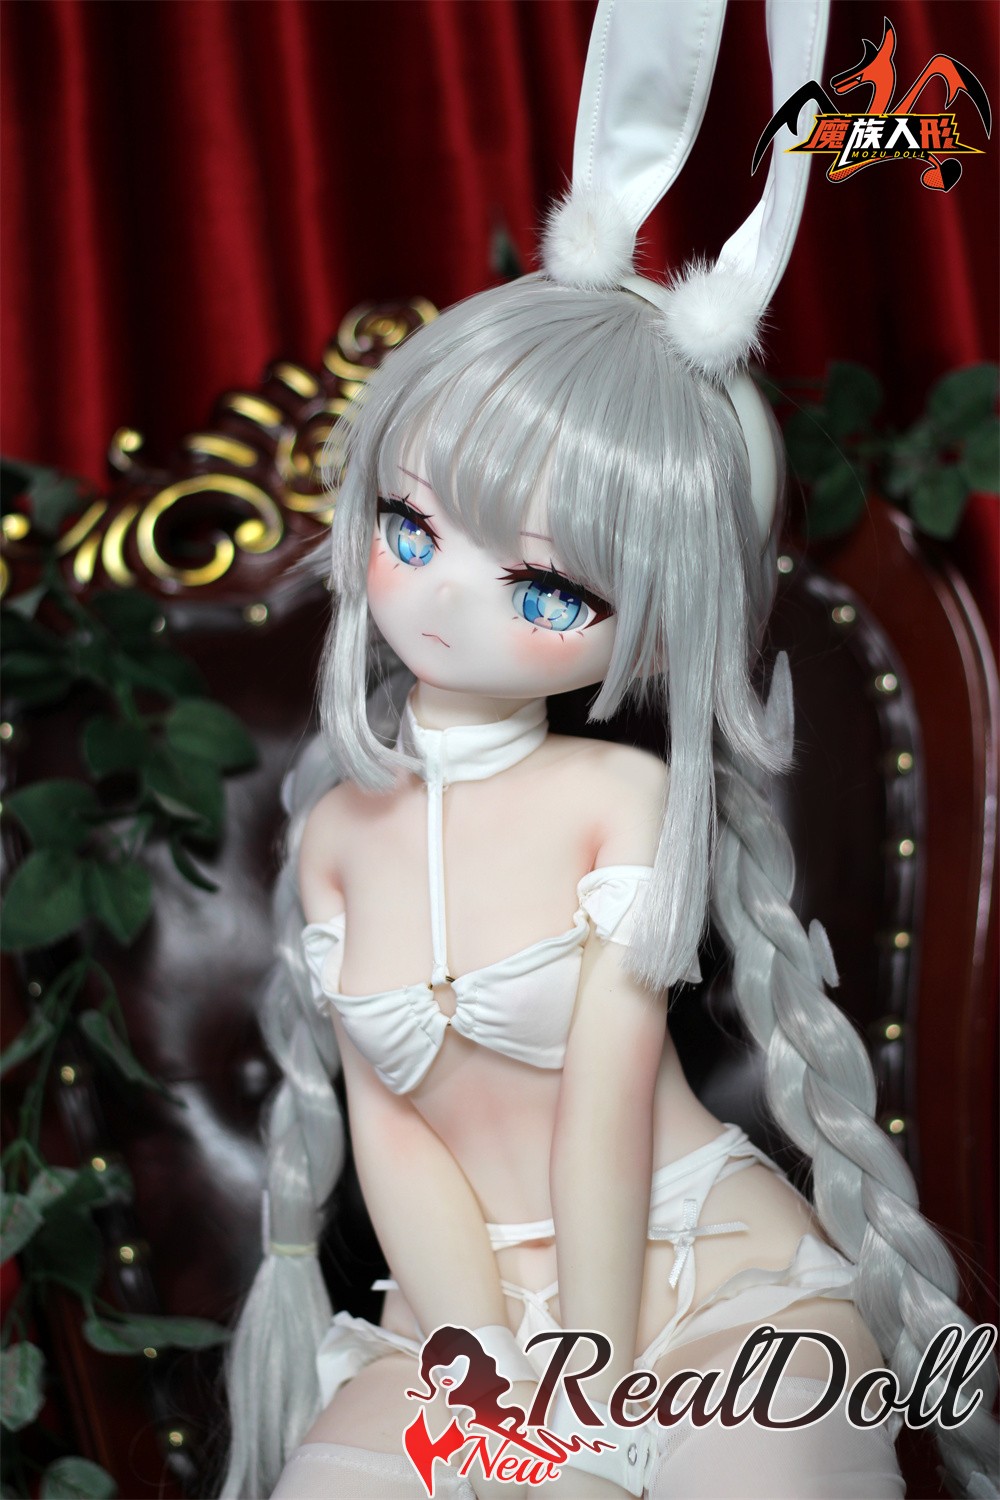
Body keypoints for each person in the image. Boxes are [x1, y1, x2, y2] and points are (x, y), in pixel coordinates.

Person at [220, 5, 999, 1498]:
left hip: (696, 1277)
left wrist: (589, 1399)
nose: (447, 600)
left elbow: (602, 1117)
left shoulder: (616, 804)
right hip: (466, 1314)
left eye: (545, 589)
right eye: (412, 527)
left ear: (648, 636)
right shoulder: (335, 841)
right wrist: (491, 1385)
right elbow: (398, 1144)